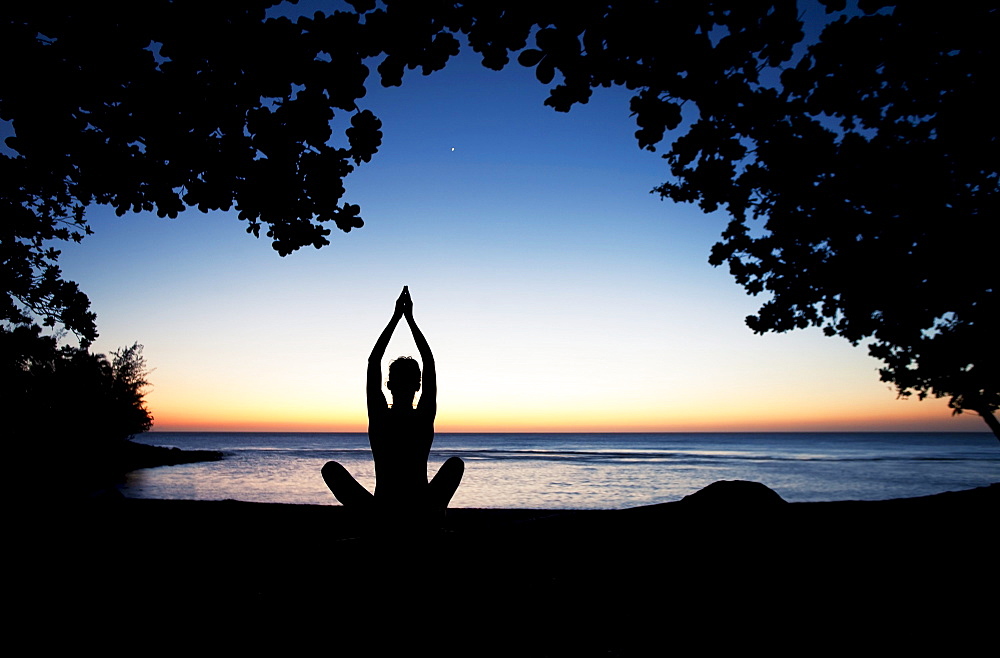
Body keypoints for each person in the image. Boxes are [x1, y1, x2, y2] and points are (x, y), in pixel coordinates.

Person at [322, 286, 464, 529]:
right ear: (418, 386)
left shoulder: (381, 416)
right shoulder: (421, 416)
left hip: (383, 510)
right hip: (413, 507)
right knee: (455, 464)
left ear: (388, 384)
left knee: (330, 470)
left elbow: (373, 361)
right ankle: (432, 516)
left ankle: (408, 519)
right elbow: (428, 362)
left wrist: (397, 318)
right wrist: (409, 320)